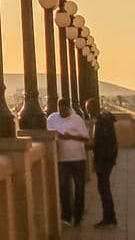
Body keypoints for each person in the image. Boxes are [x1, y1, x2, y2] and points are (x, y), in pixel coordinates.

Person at [48, 97, 90, 226]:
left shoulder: (77, 120)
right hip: (62, 159)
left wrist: (69, 136)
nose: (62, 112)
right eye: (60, 110)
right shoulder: (52, 118)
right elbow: (47, 134)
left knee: (79, 188)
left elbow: (86, 139)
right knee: (63, 188)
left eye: (64, 110)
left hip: (78, 159)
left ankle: (78, 215)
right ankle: (66, 216)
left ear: (69, 108)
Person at [91, 103, 120, 229]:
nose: (88, 112)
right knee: (104, 188)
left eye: (89, 109)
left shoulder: (102, 122)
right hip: (107, 159)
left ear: (93, 108)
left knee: (104, 188)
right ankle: (109, 217)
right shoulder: (106, 120)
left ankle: (109, 217)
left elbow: (101, 142)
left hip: (104, 160)